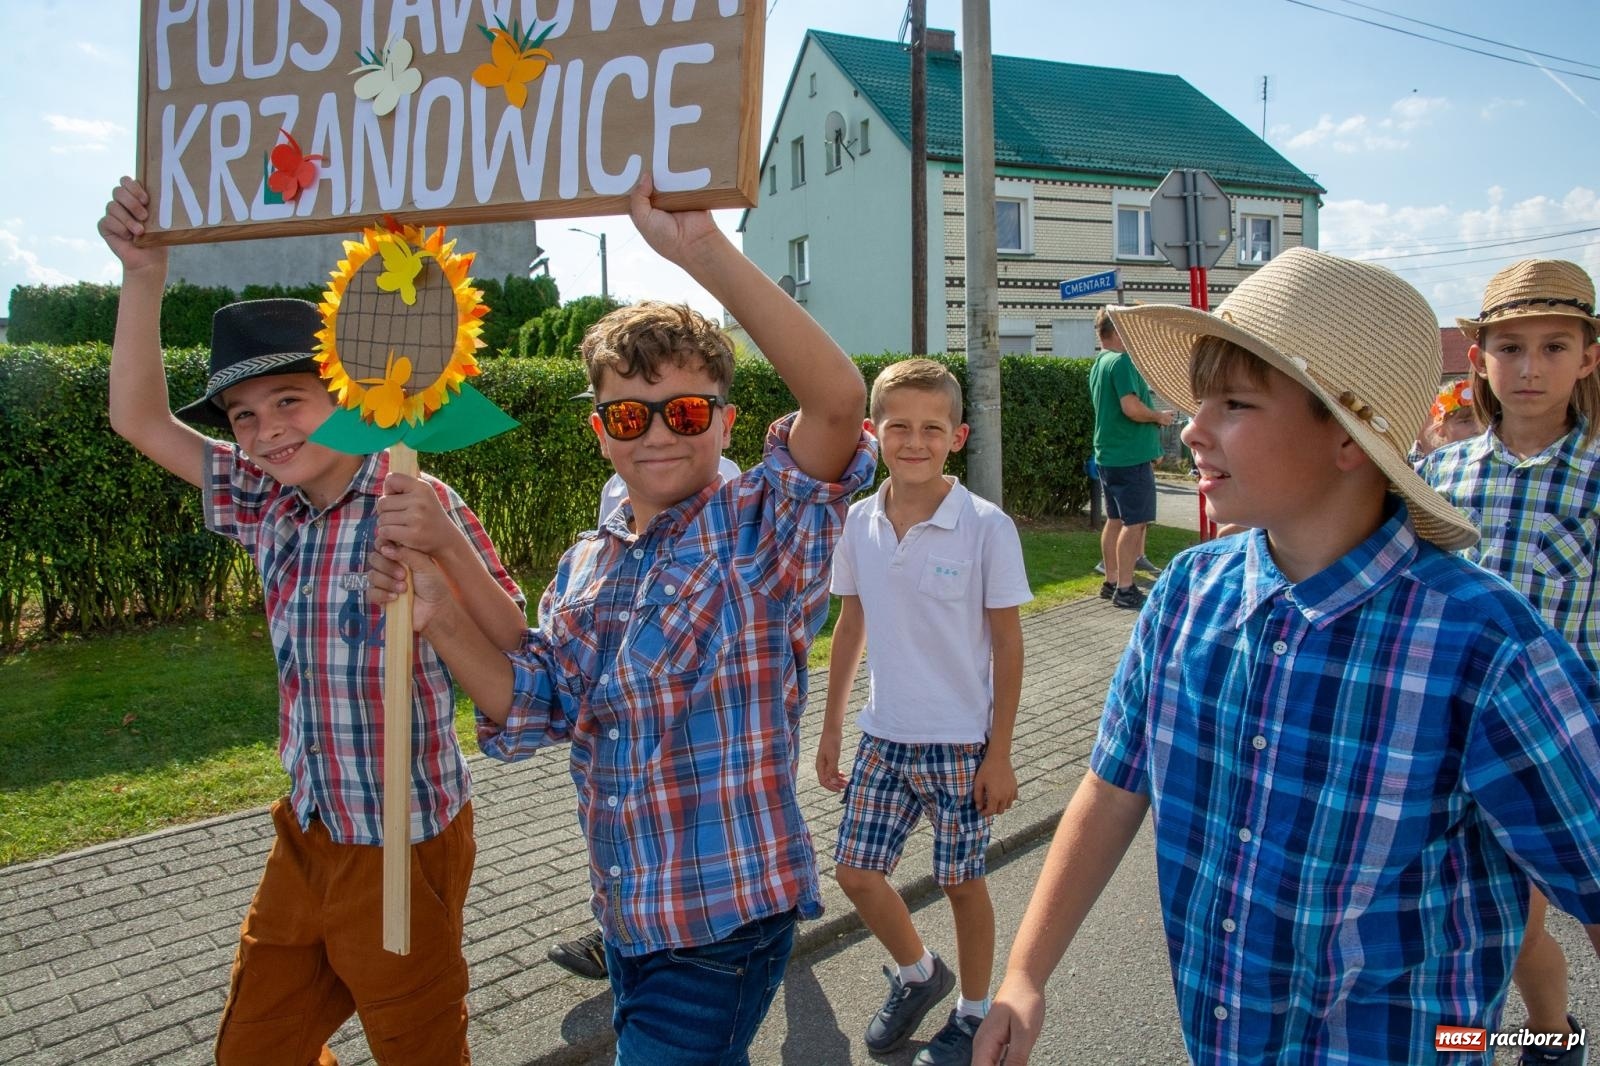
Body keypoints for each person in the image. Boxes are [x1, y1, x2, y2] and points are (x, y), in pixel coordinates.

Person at [972, 247, 1600, 1065]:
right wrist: (1025, 973)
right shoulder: (1186, 594)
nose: (1192, 429)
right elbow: (1114, 785)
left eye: (1234, 403)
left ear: (1347, 439)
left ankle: (1548, 1037)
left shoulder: (1487, 648)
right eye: (1199, 401)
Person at [369, 174, 877, 1064]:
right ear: (599, 429)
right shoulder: (586, 562)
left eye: (685, 412)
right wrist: (439, 614)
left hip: (723, 923)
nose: (658, 433)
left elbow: (838, 402)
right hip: (630, 921)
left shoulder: (758, 530)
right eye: (628, 413)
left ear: (723, 421)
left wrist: (700, 249)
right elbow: (536, 704)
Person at [98, 177, 525, 1064]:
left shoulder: (416, 496)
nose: (263, 433)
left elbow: (516, 645)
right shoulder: (263, 502)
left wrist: (441, 554)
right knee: (253, 1051)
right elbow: (138, 418)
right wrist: (144, 276)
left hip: (406, 845)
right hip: (308, 832)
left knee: (421, 1054)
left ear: (352, 393)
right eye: (246, 418)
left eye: (290, 401)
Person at [816, 359, 1031, 1065]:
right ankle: (918, 973)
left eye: (931, 428)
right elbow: (851, 625)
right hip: (885, 738)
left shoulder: (985, 527)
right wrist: (831, 726)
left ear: (958, 436)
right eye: (898, 426)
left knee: (961, 881)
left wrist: (1000, 752)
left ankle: (972, 1013)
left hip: (962, 745)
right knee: (855, 873)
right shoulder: (858, 521)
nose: (914, 441)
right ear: (873, 433)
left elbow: (1007, 643)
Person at [1417, 258, 1600, 1066]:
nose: (1530, 368)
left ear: (1588, 358)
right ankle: (1549, 1040)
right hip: (1453, 746)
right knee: (1495, 923)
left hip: (1570, 749)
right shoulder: (1437, 476)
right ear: (1479, 353)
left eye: (1555, 346)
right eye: (1511, 346)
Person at [543, 452, 748, 983]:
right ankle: (615, 923)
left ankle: (745, 917)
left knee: (706, 820)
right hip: (624, 697)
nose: (655, 433)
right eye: (624, 414)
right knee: (619, 817)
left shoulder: (721, 478)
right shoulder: (618, 487)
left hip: (702, 704)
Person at [1087, 307, 1173, 609]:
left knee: (1114, 520)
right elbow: (1131, 407)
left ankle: (1110, 582)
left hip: (1109, 455)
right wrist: (1159, 417)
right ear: (1119, 331)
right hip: (1130, 456)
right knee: (1134, 523)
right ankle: (1126, 589)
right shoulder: (1122, 361)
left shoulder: (1100, 362)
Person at [1414, 378, 1477, 457]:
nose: (1478, 429)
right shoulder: (1424, 464)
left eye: (1483, 421)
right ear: (1440, 429)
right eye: (1466, 421)